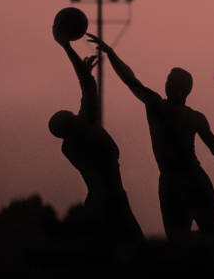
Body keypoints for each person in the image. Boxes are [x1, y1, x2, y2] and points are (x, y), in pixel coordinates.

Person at [87, 34, 214, 242]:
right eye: (167, 80)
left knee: (213, 241)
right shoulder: (156, 105)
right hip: (172, 181)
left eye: (172, 82)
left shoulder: (191, 116)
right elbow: (130, 80)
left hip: (194, 180)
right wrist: (111, 54)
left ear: (184, 89)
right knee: (177, 242)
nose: (167, 84)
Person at [48, 31, 143, 242]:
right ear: (71, 122)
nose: (75, 112)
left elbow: (88, 87)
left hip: (103, 201)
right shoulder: (83, 131)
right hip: (108, 201)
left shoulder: (72, 144)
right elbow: (88, 87)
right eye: (71, 114)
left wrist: (71, 53)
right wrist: (66, 47)